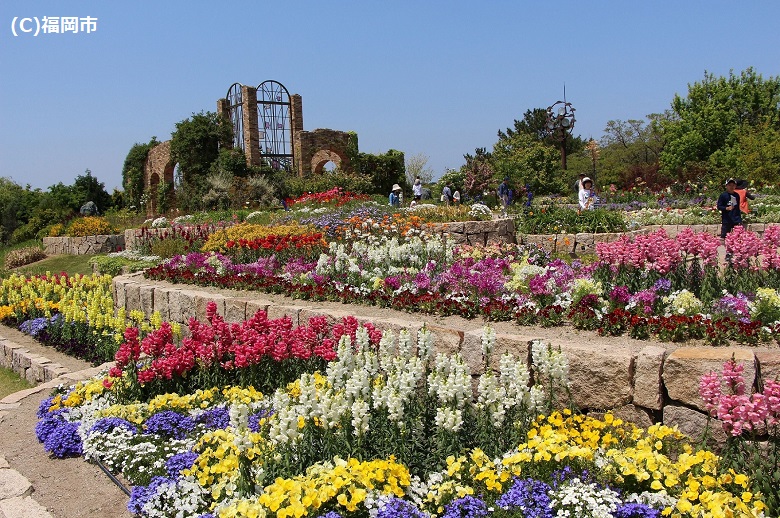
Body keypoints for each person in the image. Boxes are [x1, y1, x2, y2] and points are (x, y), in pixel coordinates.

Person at [717, 178, 742, 245]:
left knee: (737, 235)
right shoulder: (723, 195)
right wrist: (726, 208)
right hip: (727, 219)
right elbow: (719, 206)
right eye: (730, 185)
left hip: (736, 218)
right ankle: (726, 250)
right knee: (725, 235)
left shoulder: (737, 195)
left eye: (733, 185)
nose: (731, 187)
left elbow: (737, 207)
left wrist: (739, 218)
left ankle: (735, 249)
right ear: (726, 186)